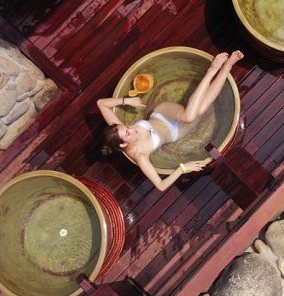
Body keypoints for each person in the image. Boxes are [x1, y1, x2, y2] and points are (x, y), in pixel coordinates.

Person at [97, 50, 243, 191]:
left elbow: (101, 103)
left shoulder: (117, 130)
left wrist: (126, 101)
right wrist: (182, 168)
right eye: (128, 134)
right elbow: (161, 185)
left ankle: (212, 71)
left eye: (127, 127)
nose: (131, 129)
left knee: (188, 116)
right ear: (123, 144)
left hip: (162, 114)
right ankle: (227, 66)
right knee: (201, 108)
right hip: (176, 132)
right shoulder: (140, 156)